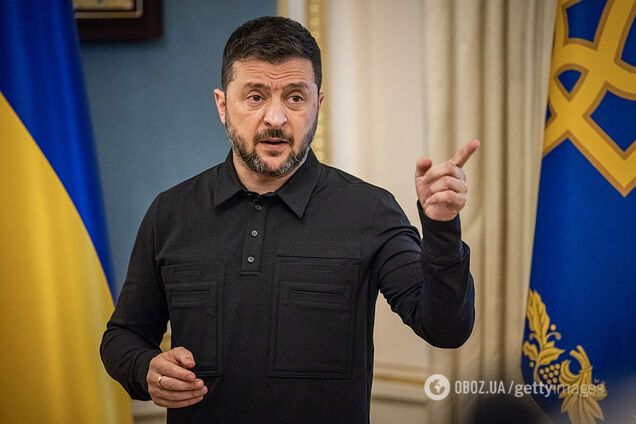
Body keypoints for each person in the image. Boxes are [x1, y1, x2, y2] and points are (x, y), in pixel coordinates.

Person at [101, 16, 479, 423]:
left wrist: (441, 228)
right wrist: (145, 369)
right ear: (222, 106)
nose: (276, 119)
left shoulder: (370, 211)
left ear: (318, 105)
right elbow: (123, 337)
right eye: (255, 97)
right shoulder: (171, 212)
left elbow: (446, 328)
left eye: (295, 98)